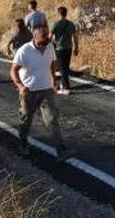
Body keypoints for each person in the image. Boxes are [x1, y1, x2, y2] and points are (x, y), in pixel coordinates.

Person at [10, 26, 72, 161]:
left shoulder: (49, 46)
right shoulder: (24, 51)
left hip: (46, 89)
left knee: (52, 119)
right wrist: (20, 86)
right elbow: (13, 71)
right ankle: (23, 144)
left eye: (47, 41)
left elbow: (51, 64)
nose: (45, 44)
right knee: (26, 119)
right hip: (29, 91)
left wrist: (54, 80)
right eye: (42, 42)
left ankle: (61, 150)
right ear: (34, 38)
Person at [50, 6, 79, 95]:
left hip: (59, 48)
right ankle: (64, 84)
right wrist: (76, 47)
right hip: (69, 48)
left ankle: (66, 87)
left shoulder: (55, 24)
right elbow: (75, 36)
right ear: (66, 13)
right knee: (65, 66)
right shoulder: (71, 24)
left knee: (62, 68)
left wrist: (47, 46)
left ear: (58, 13)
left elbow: (50, 37)